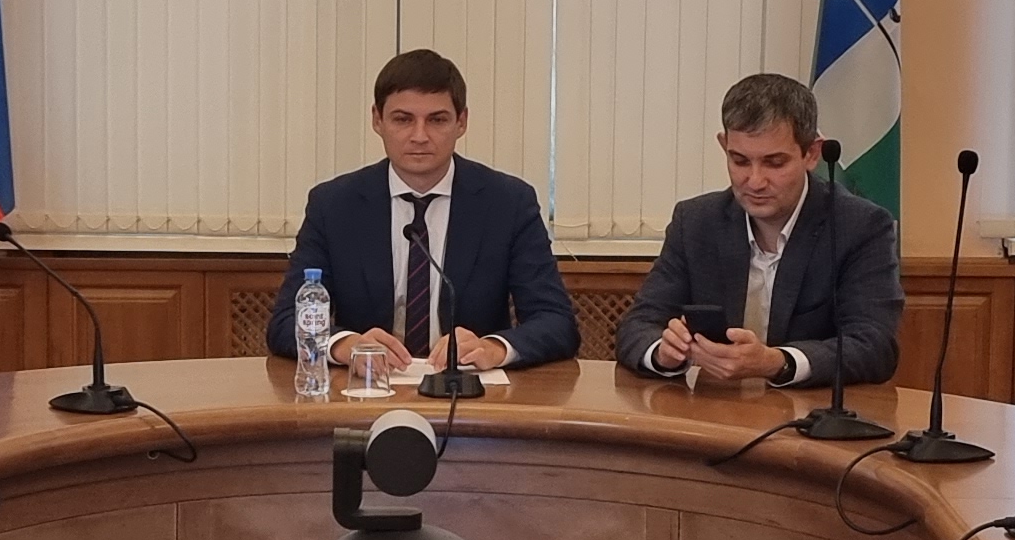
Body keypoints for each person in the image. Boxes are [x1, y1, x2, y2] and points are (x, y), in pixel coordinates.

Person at [266, 50, 578, 375]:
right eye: (403, 119)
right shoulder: (334, 205)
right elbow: (286, 321)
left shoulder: (507, 203)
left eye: (437, 120)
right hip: (368, 387)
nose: (419, 136)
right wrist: (346, 345)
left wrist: (494, 348)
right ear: (377, 120)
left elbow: (556, 321)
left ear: (461, 122)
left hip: (470, 390)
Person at [614, 72, 903, 390]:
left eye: (774, 163)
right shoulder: (696, 222)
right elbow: (637, 326)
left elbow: (874, 346)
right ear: (724, 145)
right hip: (716, 408)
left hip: (811, 411)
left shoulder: (860, 226)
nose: (754, 181)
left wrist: (777, 362)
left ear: (811, 153)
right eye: (739, 161)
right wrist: (664, 353)